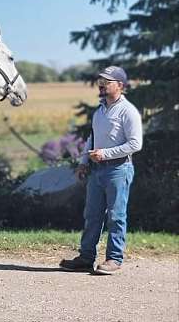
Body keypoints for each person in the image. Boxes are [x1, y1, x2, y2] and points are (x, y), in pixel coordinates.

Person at [60, 66, 142, 275]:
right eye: (101, 81)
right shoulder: (100, 111)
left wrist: (105, 154)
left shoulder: (128, 111)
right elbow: (92, 139)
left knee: (116, 216)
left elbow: (135, 144)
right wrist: (84, 161)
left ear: (120, 86)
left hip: (119, 169)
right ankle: (86, 258)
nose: (102, 85)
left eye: (108, 81)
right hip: (96, 171)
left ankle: (114, 259)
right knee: (92, 215)